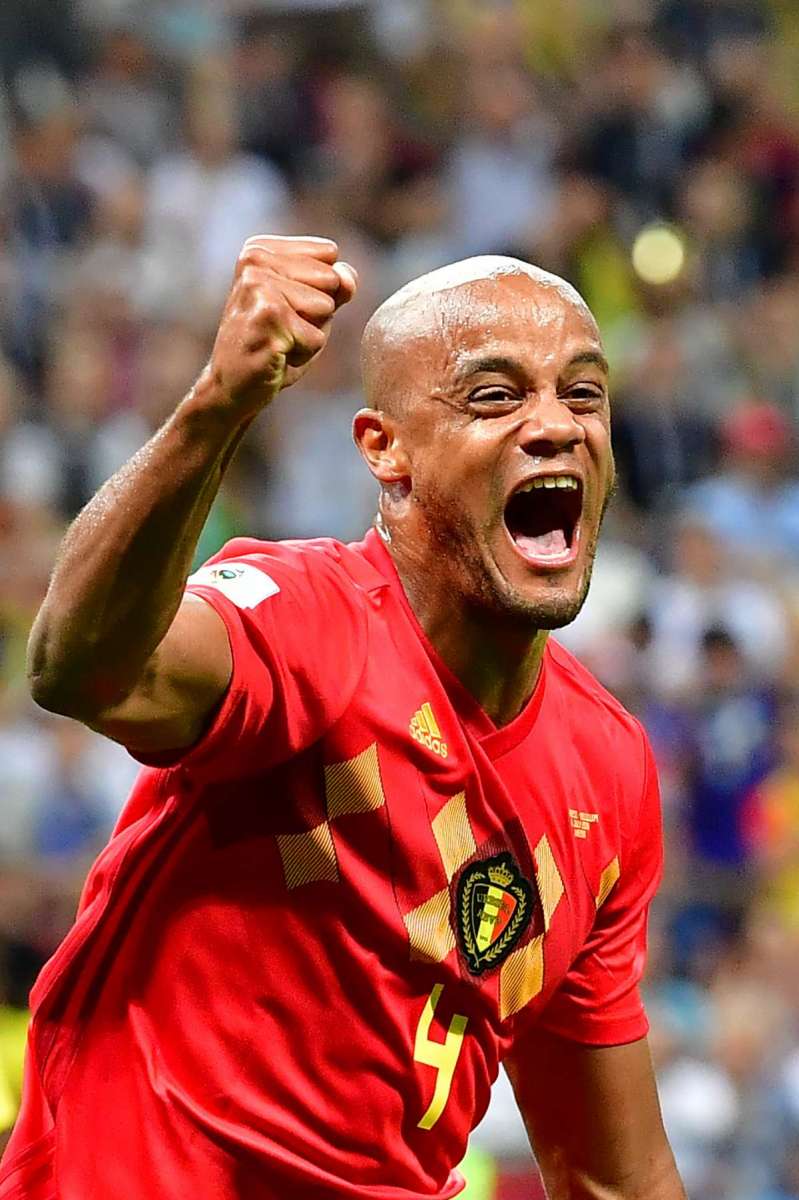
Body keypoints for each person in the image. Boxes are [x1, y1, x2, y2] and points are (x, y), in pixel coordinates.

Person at [0, 235, 685, 1199]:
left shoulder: (606, 771)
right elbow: (83, 669)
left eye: (581, 393)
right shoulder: (309, 623)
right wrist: (219, 403)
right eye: (494, 396)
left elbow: (613, 1177)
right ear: (385, 449)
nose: (555, 426)